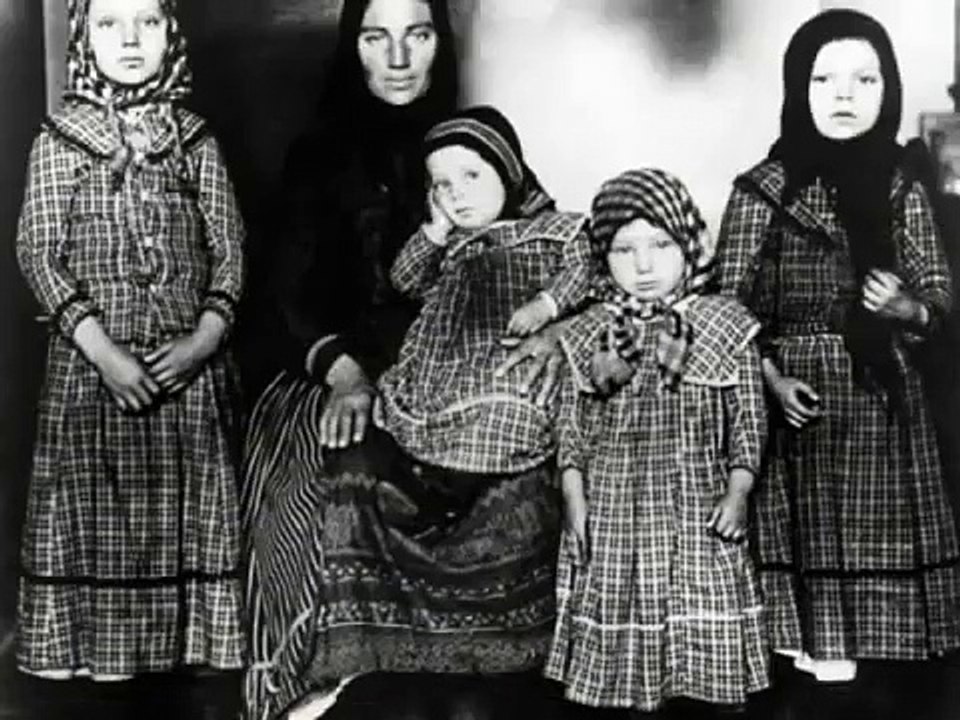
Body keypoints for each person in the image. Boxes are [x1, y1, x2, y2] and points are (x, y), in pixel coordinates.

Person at [241, 3, 565, 718]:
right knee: (327, 481)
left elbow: (553, 248)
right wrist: (346, 374)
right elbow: (286, 295)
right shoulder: (317, 158)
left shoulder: (474, 144)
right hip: (343, 369)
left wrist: (553, 332)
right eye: (375, 36)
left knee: (539, 473)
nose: (397, 58)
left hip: (468, 373)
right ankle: (326, 680)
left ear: (439, 46)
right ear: (351, 46)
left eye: (416, 35)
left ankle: (496, 671)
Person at [715, 9, 960, 719]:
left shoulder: (902, 187)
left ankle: (882, 691)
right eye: (823, 79)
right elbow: (726, 310)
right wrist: (769, 378)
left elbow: (939, 294)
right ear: (798, 87)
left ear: (889, 89)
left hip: (884, 409)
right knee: (807, 608)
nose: (844, 95)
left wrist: (908, 307)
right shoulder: (762, 189)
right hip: (798, 415)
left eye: (865, 79)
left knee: (888, 635)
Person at [14, 0, 246, 717]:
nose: (131, 41)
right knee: (102, 517)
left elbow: (230, 249)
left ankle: (188, 662)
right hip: (94, 374)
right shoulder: (60, 138)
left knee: (187, 518)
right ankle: (105, 668)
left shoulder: (194, 139)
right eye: (110, 24)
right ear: (84, 37)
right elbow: (38, 253)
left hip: (188, 371)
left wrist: (205, 338)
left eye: (147, 22)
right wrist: (103, 351)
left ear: (170, 32)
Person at [544, 169, 770, 718]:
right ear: (603, 258)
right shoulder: (591, 332)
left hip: (696, 498)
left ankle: (702, 688)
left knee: (701, 588)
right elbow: (571, 426)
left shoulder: (725, 324)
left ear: (689, 245)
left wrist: (738, 492)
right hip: (615, 502)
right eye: (624, 250)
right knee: (618, 591)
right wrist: (575, 499)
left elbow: (749, 419)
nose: (643, 266)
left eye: (660, 245)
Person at [377, 105, 593, 475]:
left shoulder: (551, 231)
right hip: (443, 363)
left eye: (471, 176)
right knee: (413, 414)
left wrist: (547, 304)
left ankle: (481, 474)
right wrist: (437, 229)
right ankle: (437, 471)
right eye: (442, 185)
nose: (457, 194)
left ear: (508, 175)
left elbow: (582, 267)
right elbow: (405, 280)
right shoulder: (450, 246)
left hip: (504, 358)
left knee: (510, 404)